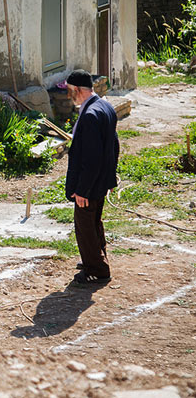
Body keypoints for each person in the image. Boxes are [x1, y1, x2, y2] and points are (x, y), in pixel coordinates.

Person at [64, 69, 119, 284]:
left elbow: (91, 159)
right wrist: (110, 179)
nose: (70, 96)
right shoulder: (105, 106)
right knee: (94, 222)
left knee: (85, 224)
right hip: (100, 180)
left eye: (70, 92)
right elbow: (114, 146)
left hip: (90, 183)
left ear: (77, 90)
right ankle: (95, 258)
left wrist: (82, 189)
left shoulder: (89, 116)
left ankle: (96, 269)